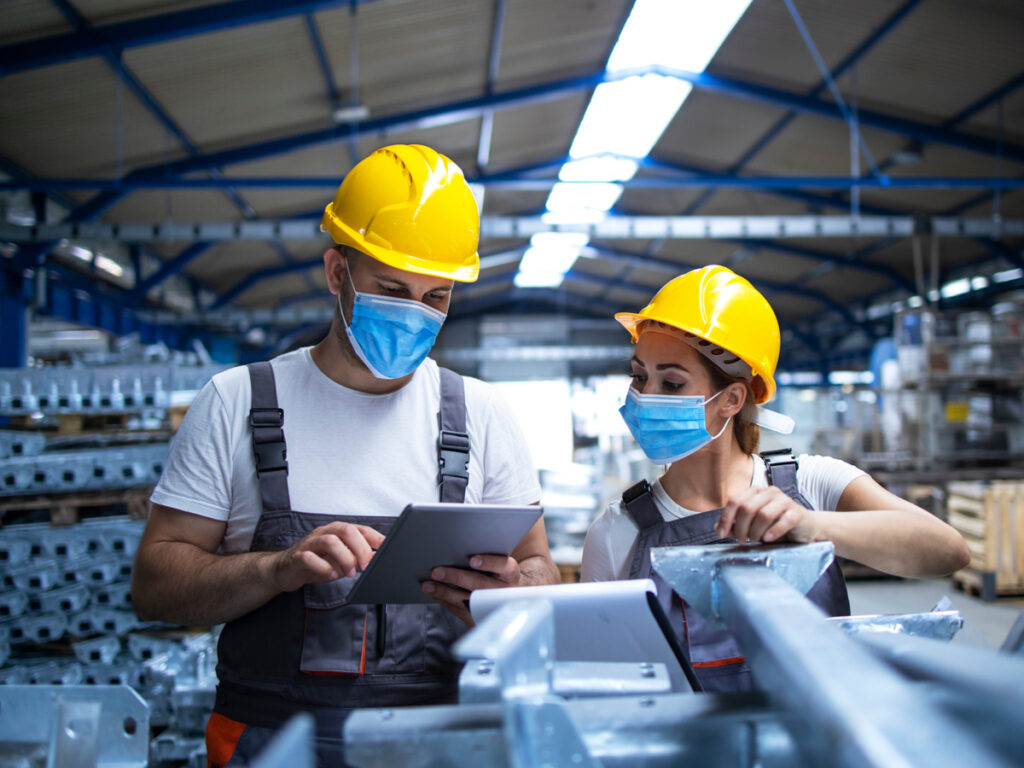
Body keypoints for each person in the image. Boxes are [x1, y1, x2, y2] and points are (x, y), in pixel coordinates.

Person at [130, 144, 560, 766]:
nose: (414, 314)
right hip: (272, 742)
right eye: (391, 288)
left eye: (435, 297)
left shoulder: (482, 416)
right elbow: (155, 586)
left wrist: (508, 591)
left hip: (442, 743)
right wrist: (276, 570)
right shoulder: (237, 402)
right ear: (337, 273)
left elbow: (541, 571)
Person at [581, 265, 970, 693]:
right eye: (639, 376)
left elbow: (947, 551)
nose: (644, 397)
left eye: (671, 383)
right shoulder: (618, 532)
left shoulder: (812, 485)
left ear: (731, 399)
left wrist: (811, 526)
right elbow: (606, 684)